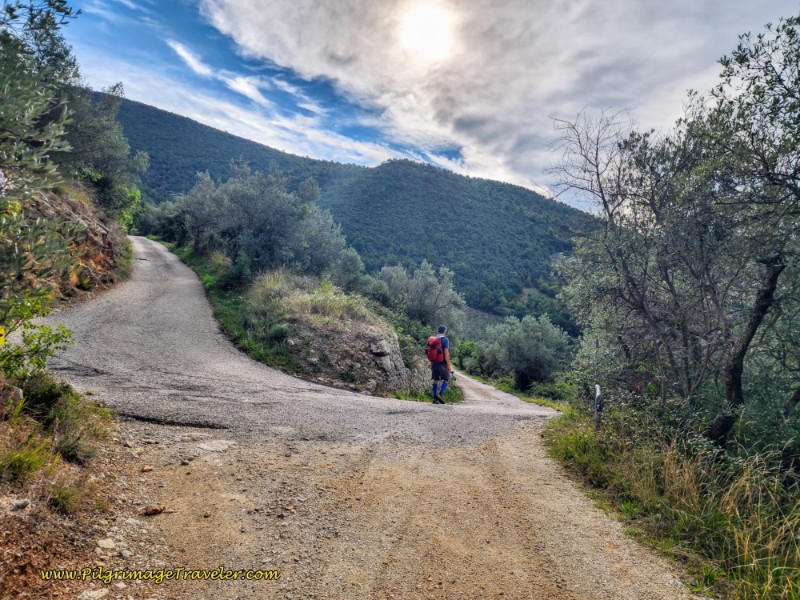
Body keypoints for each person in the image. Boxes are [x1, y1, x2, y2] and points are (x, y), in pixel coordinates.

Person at [430, 325, 453, 404]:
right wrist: (448, 365)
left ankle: (435, 398)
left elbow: (431, 352)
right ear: (445, 331)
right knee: (446, 378)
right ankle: (440, 394)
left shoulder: (434, 339)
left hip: (434, 362)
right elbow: (446, 353)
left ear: (438, 331)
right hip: (442, 363)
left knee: (436, 380)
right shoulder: (445, 340)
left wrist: (431, 363)